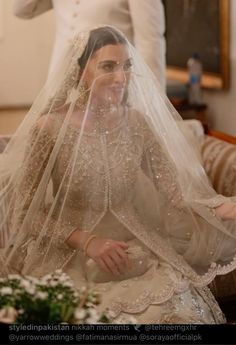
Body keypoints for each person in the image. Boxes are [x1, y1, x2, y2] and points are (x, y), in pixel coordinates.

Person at [1, 25, 236, 323]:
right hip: (69, 256)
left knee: (178, 313)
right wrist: (88, 241)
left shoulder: (137, 123)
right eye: (108, 67)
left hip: (137, 246)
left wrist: (220, 207)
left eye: (126, 66)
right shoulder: (49, 129)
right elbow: (24, 214)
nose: (121, 78)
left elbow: (174, 192)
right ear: (80, 71)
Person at [13, 0, 166, 90]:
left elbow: (150, 42)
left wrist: (155, 103)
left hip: (109, 84)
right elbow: (21, 10)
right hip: (60, 81)